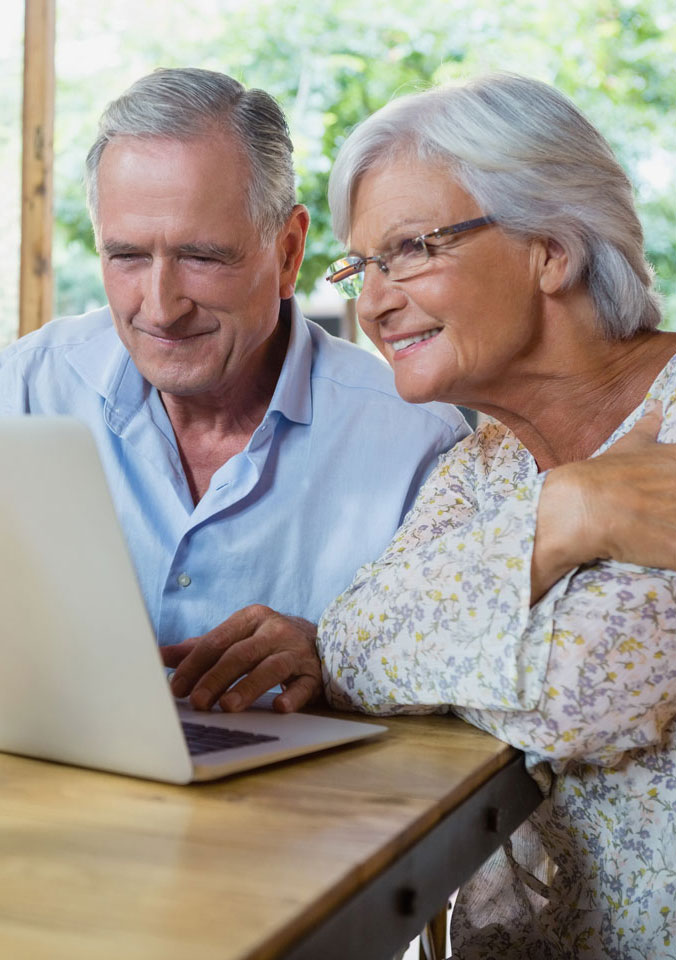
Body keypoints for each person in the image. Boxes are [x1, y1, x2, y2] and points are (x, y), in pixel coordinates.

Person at [317, 74, 676, 958]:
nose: (371, 301)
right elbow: (349, 643)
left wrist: (431, 663)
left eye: (407, 250)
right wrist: (568, 511)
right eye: (361, 265)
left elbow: (581, 690)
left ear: (549, 250)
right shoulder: (488, 460)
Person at [0, 67, 469, 713]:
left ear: (288, 251)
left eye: (202, 257)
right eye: (127, 256)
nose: (160, 308)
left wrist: (335, 654)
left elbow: (464, 683)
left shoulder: (420, 442)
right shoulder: (24, 388)